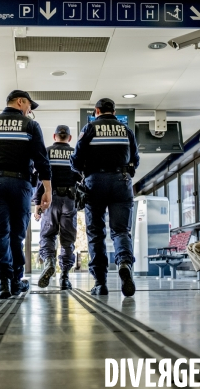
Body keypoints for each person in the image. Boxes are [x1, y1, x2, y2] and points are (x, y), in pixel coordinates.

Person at [0, 90, 52, 299]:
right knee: (16, 235)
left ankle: (3, 282)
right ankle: (16, 280)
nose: (29, 111)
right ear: (20, 102)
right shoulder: (30, 126)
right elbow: (42, 159)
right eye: (29, 107)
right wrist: (47, 190)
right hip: (20, 184)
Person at [70, 98, 140, 297]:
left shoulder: (90, 128)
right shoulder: (126, 131)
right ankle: (124, 263)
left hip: (95, 182)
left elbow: (75, 160)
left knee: (96, 233)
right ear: (114, 111)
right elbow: (135, 160)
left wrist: (81, 170)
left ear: (96, 111)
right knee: (121, 231)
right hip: (122, 181)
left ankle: (100, 282)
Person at [33, 125, 82, 290]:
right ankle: (65, 277)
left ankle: (49, 262)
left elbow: (41, 178)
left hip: (50, 199)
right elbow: (82, 177)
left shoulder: (47, 152)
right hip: (70, 200)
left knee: (47, 235)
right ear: (69, 138)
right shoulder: (75, 153)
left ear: (55, 137)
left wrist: (37, 204)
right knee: (68, 241)